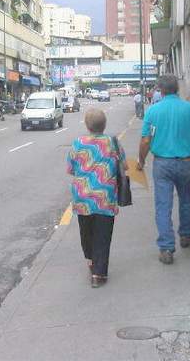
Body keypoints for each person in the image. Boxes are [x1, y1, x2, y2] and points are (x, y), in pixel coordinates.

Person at [137, 75, 190, 265]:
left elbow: (145, 140)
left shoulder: (153, 112)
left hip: (162, 165)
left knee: (163, 205)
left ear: (160, 90)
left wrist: (141, 160)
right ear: (177, 89)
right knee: (186, 199)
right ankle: (186, 235)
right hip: (186, 163)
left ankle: (167, 248)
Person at [67, 108, 127, 288]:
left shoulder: (77, 143)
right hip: (105, 198)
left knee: (86, 232)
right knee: (103, 235)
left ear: (87, 125)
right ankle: (99, 274)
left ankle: (92, 261)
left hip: (82, 197)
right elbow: (124, 166)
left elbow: (70, 169)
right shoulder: (113, 142)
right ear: (104, 125)